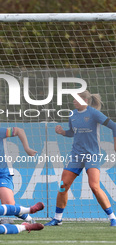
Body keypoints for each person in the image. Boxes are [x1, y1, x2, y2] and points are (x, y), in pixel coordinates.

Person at [45, 90, 116, 226]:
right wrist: (62, 132)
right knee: (63, 185)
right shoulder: (72, 114)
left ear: (86, 101)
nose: (73, 101)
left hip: (92, 155)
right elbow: (72, 132)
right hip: (76, 155)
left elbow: (114, 126)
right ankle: (57, 218)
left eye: (76, 99)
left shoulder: (94, 113)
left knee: (94, 186)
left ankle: (112, 217)